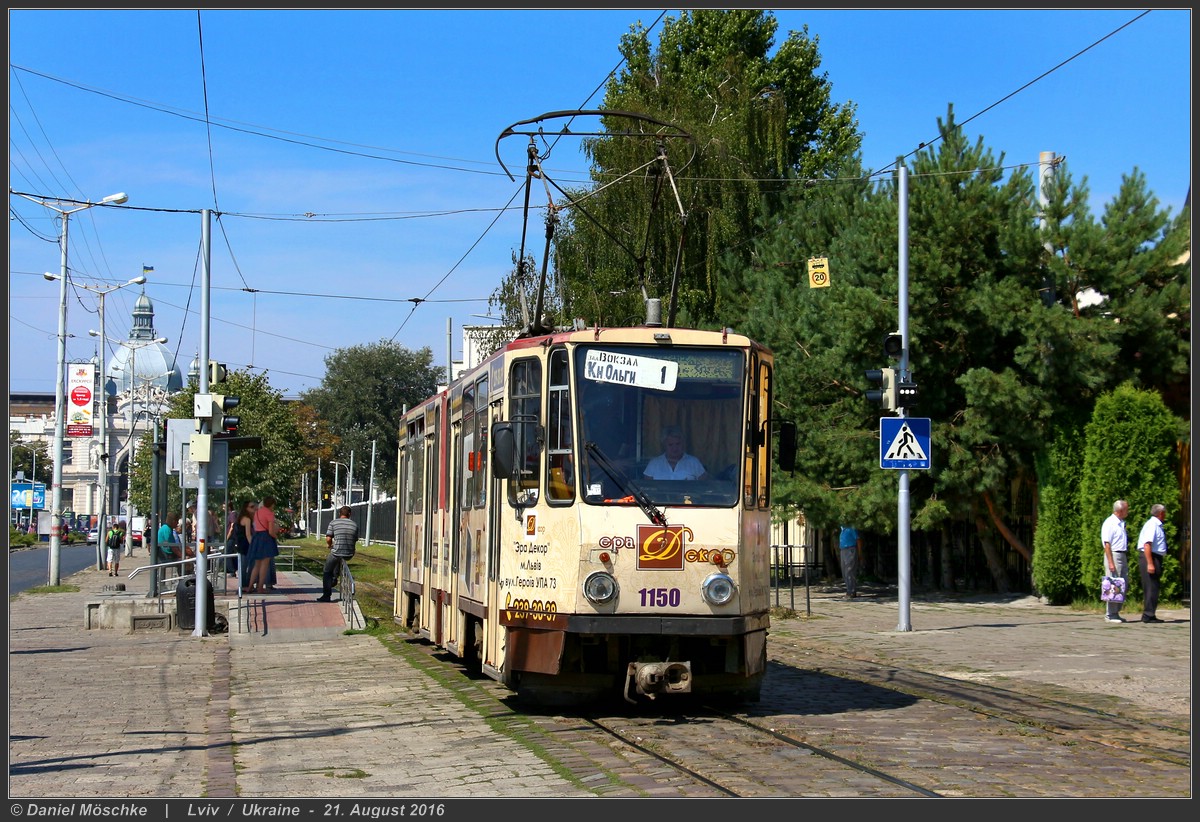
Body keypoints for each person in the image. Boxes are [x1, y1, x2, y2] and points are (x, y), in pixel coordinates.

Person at [1136, 503, 1169, 624]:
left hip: (1155, 557)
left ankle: (1150, 613)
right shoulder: (1152, 525)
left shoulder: (1156, 525)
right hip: (1150, 557)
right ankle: (1148, 615)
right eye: (1164, 512)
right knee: (1151, 586)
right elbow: (1147, 544)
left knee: (1153, 586)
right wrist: (1150, 563)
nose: (1165, 515)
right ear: (1160, 513)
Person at [318, 505, 360, 602]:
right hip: (349, 553)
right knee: (338, 559)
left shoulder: (333, 523)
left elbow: (328, 538)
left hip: (337, 552)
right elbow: (355, 539)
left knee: (327, 570)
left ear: (339, 514)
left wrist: (330, 545)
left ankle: (326, 595)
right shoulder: (354, 524)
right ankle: (334, 577)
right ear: (349, 514)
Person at [1100, 499, 1130, 623]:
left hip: (1122, 554)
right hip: (1113, 554)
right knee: (1113, 585)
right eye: (1126, 509)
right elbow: (1107, 544)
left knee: (1122, 584)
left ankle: (1116, 612)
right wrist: (1111, 562)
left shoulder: (1120, 523)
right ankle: (1110, 614)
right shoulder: (1110, 523)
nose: (1128, 512)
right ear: (1120, 510)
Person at [246, 496, 280, 595]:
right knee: (264, 565)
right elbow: (271, 531)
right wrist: (276, 536)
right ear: (272, 504)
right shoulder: (270, 514)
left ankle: (250, 586)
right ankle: (260, 587)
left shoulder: (257, 512)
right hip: (266, 539)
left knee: (256, 565)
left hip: (257, 537)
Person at [227, 500, 255, 588]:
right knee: (247, 565)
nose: (253, 509)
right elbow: (248, 534)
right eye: (251, 507)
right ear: (246, 508)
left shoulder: (240, 518)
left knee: (243, 565)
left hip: (240, 543)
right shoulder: (247, 519)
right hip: (245, 544)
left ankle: (244, 584)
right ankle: (245, 584)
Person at [838, 524, 862, 600]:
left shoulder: (851, 528)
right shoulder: (842, 528)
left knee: (849, 571)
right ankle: (849, 590)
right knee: (844, 571)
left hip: (850, 549)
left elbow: (858, 540)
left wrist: (859, 553)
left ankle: (851, 592)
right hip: (843, 550)